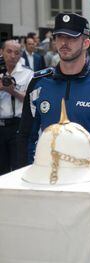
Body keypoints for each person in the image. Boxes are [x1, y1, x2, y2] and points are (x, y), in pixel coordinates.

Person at [17, 12, 90, 167]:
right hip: (49, 173)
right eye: (59, 37)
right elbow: (25, 137)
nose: (64, 42)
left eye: (71, 37)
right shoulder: (39, 82)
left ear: (86, 43)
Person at [0, 40, 33, 175]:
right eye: (9, 51)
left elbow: (30, 100)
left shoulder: (28, 73)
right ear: (1, 52)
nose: (13, 55)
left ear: (21, 55)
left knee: (19, 169)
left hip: (18, 126)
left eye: (17, 53)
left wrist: (11, 91)